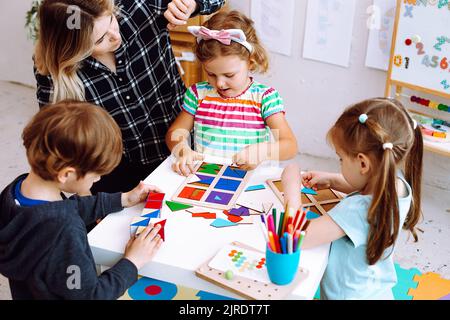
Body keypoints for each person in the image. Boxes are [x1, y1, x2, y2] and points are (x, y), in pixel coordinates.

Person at [33, 0, 226, 193]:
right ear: (72, 48)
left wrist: (192, 5)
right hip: (114, 174)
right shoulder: (53, 71)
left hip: (181, 145)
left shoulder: (138, 6)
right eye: (99, 40)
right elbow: (63, 141)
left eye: (111, 20)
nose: (115, 36)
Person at [0, 101, 164, 299]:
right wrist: (132, 262)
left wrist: (123, 199)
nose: (98, 179)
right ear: (66, 174)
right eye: (96, 174)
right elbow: (89, 295)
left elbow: (67, 208)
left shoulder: (15, 192)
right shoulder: (65, 232)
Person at [281, 98, 423, 300]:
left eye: (340, 158)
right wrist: (334, 180)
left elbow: (295, 238)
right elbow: (371, 187)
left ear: (363, 164)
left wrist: (291, 186)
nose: (339, 163)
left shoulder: (357, 209)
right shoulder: (397, 185)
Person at [165, 10, 298, 176]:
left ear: (250, 62)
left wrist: (264, 151)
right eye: (211, 74)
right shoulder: (198, 94)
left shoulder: (264, 98)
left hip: (249, 180)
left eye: (229, 75)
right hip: (207, 176)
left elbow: (290, 146)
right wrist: (183, 150)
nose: (219, 83)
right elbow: (175, 133)